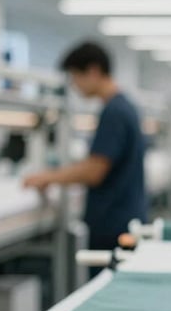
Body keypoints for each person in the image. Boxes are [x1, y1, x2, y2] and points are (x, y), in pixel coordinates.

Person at [23, 41, 146, 252]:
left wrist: (48, 177)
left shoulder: (114, 112)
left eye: (75, 76)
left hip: (114, 225)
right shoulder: (124, 106)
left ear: (93, 71)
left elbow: (94, 171)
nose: (74, 85)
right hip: (124, 218)